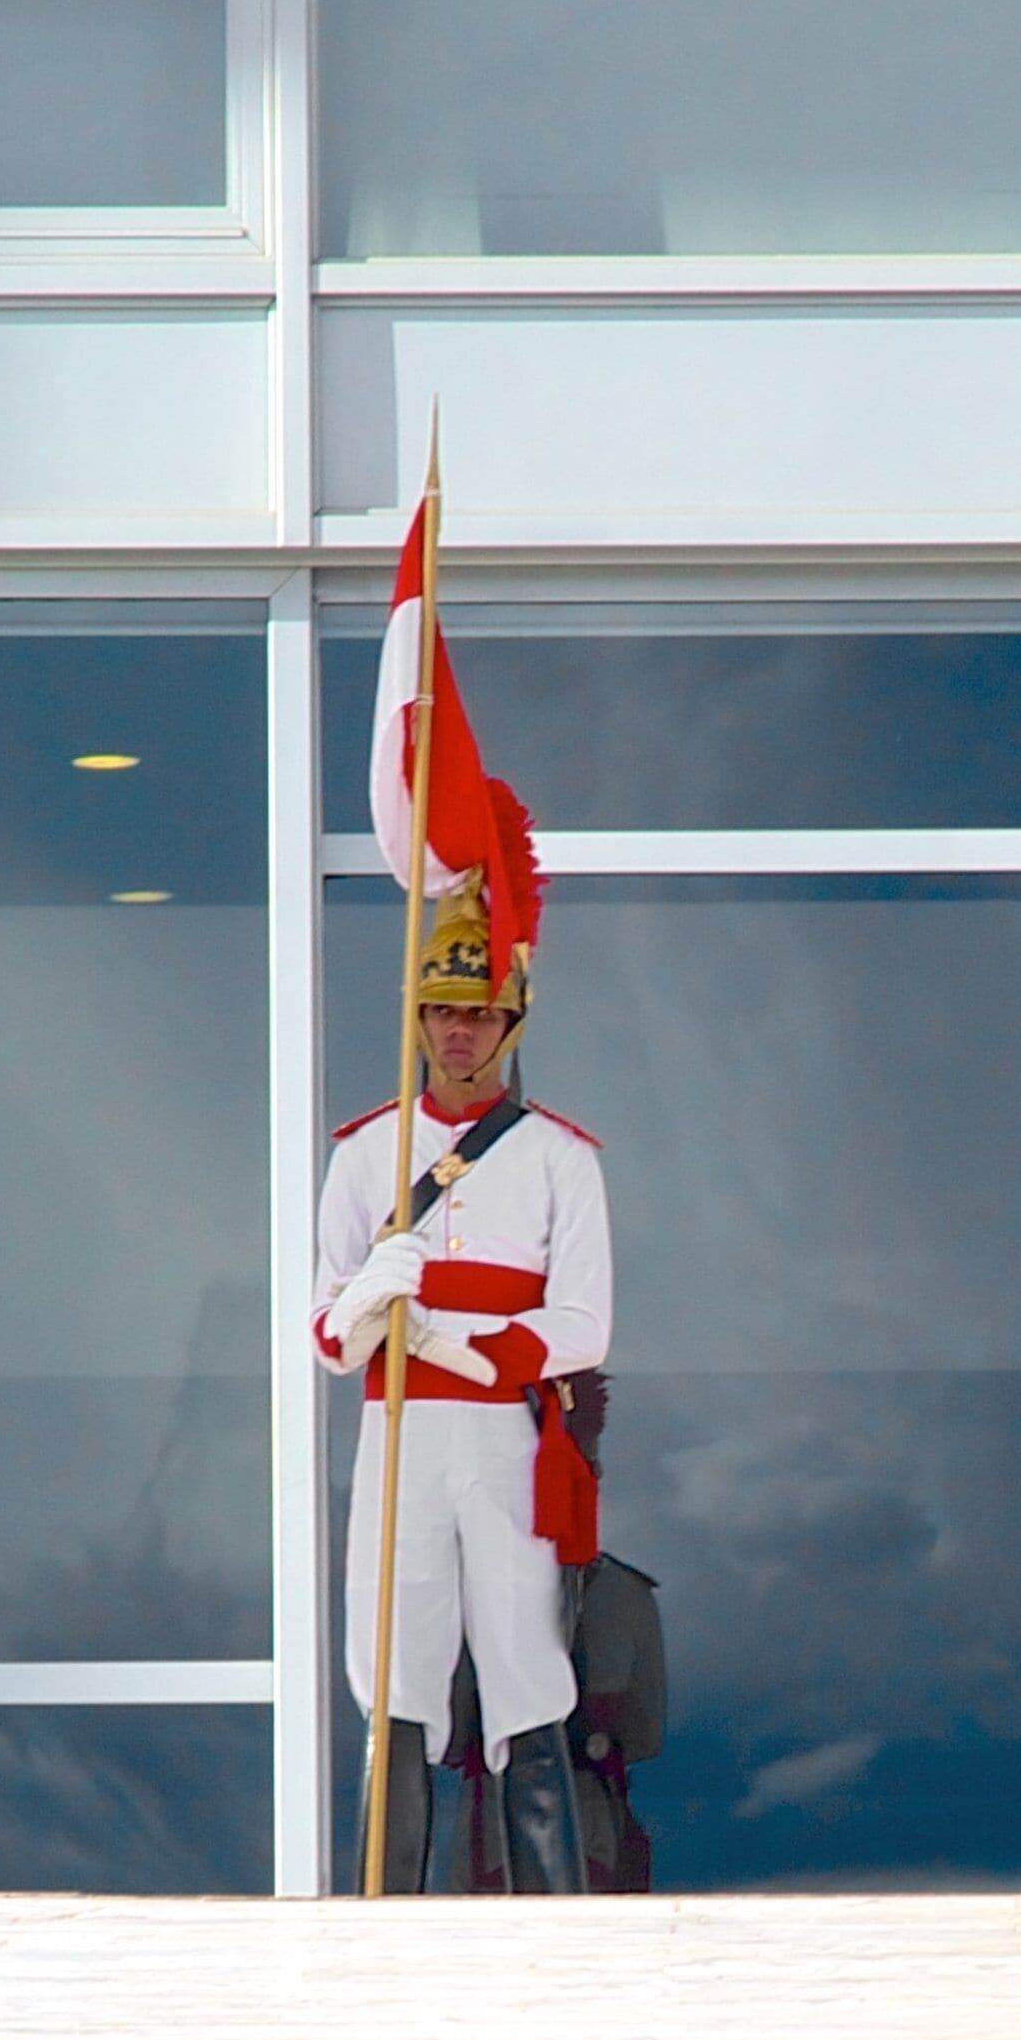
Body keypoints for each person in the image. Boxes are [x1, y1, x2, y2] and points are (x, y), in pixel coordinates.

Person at [312, 804, 612, 1895]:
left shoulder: (557, 1159)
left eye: (479, 1014)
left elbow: (584, 1326)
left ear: (511, 1019)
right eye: (442, 1008)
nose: (458, 1033)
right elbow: (326, 1335)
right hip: (399, 1436)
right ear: (417, 1013)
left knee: (528, 1671)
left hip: (500, 1433)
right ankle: (379, 1918)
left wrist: (465, 1341)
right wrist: (372, 1297)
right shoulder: (365, 1155)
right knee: (393, 1670)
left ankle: (555, 1915)